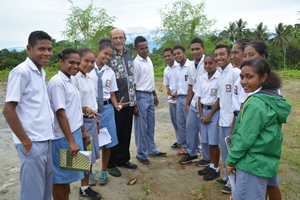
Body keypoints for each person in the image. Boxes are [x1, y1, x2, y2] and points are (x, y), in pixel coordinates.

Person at [226, 57, 291, 200]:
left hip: (251, 164)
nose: (243, 81)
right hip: (264, 161)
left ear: (264, 77)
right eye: (242, 77)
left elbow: (245, 139)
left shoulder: (255, 103)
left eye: (249, 77)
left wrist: (230, 161)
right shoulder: (271, 98)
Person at [3, 31, 54, 200]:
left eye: (49, 49)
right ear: (29, 49)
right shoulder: (21, 72)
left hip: (45, 138)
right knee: (32, 193)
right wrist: (26, 142)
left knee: (46, 189)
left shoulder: (40, 71)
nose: (47, 53)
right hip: (32, 141)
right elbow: (8, 110)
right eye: (41, 49)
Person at [47, 48, 100, 200]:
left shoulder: (70, 80)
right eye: (71, 63)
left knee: (68, 177)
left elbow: (76, 109)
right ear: (61, 61)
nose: (75, 66)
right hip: (63, 137)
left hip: (74, 133)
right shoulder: (57, 83)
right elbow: (60, 113)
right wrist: (71, 141)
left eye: (77, 63)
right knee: (60, 178)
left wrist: (83, 131)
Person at [241, 40, 282, 200]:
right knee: (270, 180)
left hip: (258, 148)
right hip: (265, 146)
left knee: (262, 183)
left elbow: (250, 130)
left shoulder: (263, 92)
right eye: (245, 55)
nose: (246, 58)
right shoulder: (258, 83)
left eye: (251, 55)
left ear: (263, 57)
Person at [88, 39, 128, 184]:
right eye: (105, 53)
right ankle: (89, 173)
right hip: (90, 111)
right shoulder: (87, 69)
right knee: (89, 142)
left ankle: (103, 172)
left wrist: (116, 105)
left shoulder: (110, 72)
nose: (107, 57)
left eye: (110, 55)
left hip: (107, 109)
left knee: (108, 141)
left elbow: (111, 94)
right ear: (98, 52)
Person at [71, 48, 103, 197]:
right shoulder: (75, 79)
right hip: (82, 123)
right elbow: (77, 107)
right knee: (84, 156)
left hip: (91, 122)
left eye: (92, 61)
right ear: (78, 61)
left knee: (89, 156)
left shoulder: (89, 78)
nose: (90, 64)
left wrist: (96, 122)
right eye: (86, 61)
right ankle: (84, 188)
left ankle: (85, 184)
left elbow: (92, 102)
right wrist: (83, 129)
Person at [106, 29, 137, 177]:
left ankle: (123, 159)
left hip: (129, 100)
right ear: (111, 40)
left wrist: (134, 101)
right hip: (116, 102)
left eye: (120, 38)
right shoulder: (108, 54)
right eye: (115, 38)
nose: (118, 40)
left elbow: (131, 77)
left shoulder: (129, 53)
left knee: (126, 132)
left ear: (125, 39)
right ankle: (111, 164)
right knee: (114, 133)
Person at [133, 36, 166, 165]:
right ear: (136, 49)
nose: (145, 50)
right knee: (141, 127)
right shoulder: (136, 63)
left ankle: (151, 150)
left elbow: (151, 81)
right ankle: (140, 153)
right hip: (140, 96)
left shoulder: (149, 60)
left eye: (146, 47)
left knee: (150, 125)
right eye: (142, 49)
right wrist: (135, 104)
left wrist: (155, 95)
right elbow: (134, 85)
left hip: (149, 96)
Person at [214, 43, 240, 194]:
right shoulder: (221, 74)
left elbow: (239, 100)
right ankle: (227, 177)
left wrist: (234, 123)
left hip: (233, 122)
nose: (218, 57)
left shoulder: (235, 73)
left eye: (222, 54)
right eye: (216, 55)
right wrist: (219, 120)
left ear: (229, 56)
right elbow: (222, 99)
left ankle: (233, 182)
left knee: (232, 152)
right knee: (225, 152)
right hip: (223, 120)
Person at [179, 37, 207, 165]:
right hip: (194, 103)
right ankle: (191, 154)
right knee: (190, 129)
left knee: (204, 133)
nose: (195, 52)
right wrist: (187, 103)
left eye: (197, 49)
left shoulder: (208, 63)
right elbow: (191, 85)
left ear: (203, 49)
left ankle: (207, 158)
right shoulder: (191, 66)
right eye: (192, 49)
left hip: (206, 103)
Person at [196, 53, 221, 181]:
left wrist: (209, 115)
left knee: (213, 142)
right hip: (203, 112)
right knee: (205, 141)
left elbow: (218, 99)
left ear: (216, 63)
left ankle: (216, 168)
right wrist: (201, 114)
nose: (207, 66)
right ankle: (211, 165)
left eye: (210, 63)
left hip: (213, 112)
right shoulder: (202, 77)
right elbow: (199, 97)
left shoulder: (219, 78)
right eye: (205, 63)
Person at [170, 44, 191, 158]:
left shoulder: (191, 65)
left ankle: (196, 148)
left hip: (189, 98)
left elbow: (193, 85)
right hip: (179, 98)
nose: (176, 56)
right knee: (181, 124)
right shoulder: (178, 68)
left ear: (184, 53)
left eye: (178, 53)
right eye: (175, 54)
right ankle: (185, 148)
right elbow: (181, 85)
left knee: (190, 125)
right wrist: (176, 94)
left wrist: (189, 101)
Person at [162, 47, 180, 149]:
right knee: (175, 121)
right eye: (165, 56)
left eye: (169, 55)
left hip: (180, 99)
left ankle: (188, 142)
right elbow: (167, 84)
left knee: (183, 122)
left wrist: (177, 93)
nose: (167, 58)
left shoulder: (179, 67)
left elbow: (184, 83)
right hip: (171, 100)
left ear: (173, 55)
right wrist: (168, 90)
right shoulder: (166, 70)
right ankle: (179, 141)